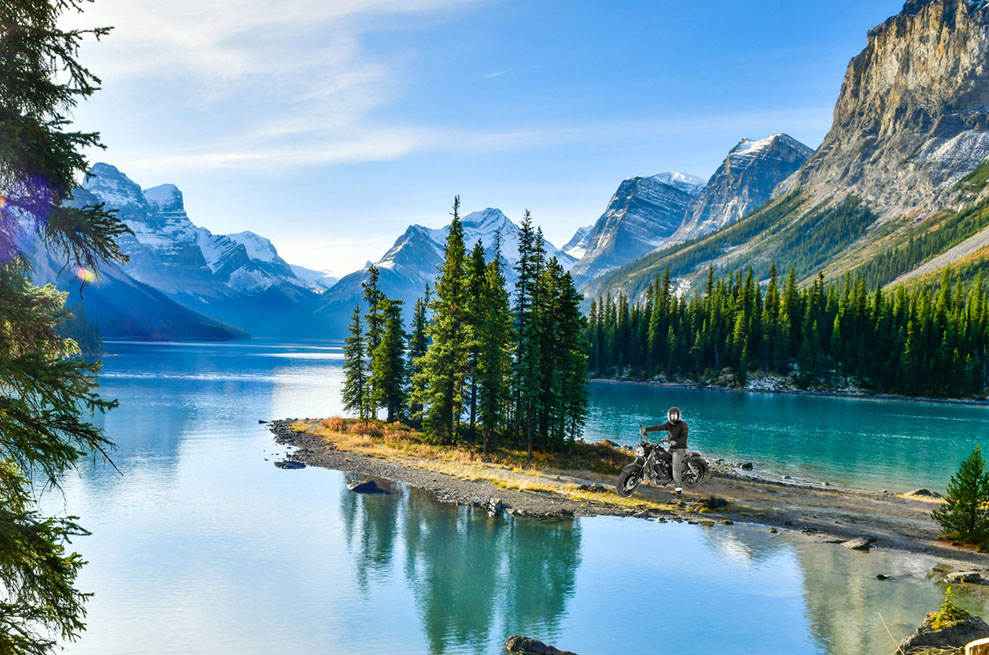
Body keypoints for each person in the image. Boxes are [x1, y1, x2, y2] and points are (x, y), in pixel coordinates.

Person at [639, 407, 688, 501]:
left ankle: (678, 491)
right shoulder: (668, 425)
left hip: (680, 449)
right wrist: (646, 429)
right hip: (671, 448)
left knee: (675, 467)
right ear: (669, 416)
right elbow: (659, 427)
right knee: (661, 459)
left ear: (678, 416)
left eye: (675, 415)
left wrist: (676, 441)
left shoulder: (683, 425)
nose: (673, 417)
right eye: (672, 415)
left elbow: (684, 437)